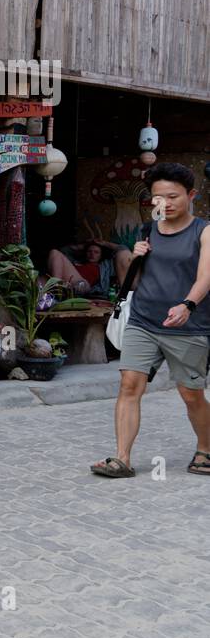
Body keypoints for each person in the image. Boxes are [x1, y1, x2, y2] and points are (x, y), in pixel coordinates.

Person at [91, 162, 210, 478]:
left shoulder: (204, 231)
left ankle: (205, 449)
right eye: (158, 198)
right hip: (143, 320)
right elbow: (134, 280)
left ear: (191, 195)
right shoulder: (147, 230)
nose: (165, 204)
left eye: (173, 196)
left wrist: (187, 305)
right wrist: (135, 257)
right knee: (129, 385)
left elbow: (205, 277)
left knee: (191, 394)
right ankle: (122, 459)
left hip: (187, 326)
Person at [47, 239, 133, 296]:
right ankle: (56, 288)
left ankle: (56, 291)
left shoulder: (105, 266)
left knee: (55, 253)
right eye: (89, 251)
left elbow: (123, 249)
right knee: (53, 253)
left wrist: (105, 243)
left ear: (101, 255)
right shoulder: (77, 262)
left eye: (96, 252)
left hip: (83, 285)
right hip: (65, 282)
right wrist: (83, 245)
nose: (92, 254)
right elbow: (63, 251)